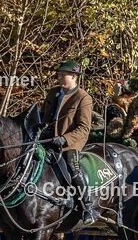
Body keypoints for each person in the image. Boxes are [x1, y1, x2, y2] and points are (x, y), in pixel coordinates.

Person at [41, 60, 98, 225]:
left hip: (70, 142)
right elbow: (45, 116)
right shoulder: (52, 93)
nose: (59, 77)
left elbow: (84, 128)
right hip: (48, 138)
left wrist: (64, 139)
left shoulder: (83, 97)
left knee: (72, 167)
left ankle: (87, 206)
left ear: (74, 76)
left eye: (62, 74)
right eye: (58, 74)